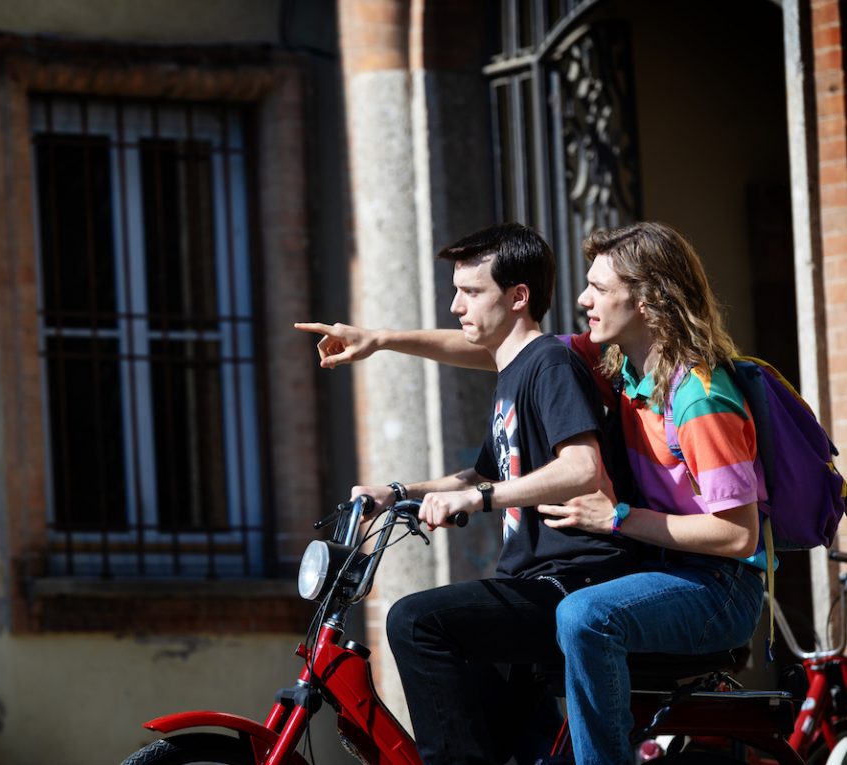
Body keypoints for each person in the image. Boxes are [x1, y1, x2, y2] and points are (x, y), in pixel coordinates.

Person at [297, 220, 767, 765]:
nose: (582, 298)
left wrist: (614, 516)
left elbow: (737, 534)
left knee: (552, 617)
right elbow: (495, 348)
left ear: (647, 299)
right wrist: (380, 343)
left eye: (599, 288)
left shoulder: (698, 396)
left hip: (713, 582)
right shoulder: (621, 372)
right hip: (657, 569)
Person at [314, 222, 638, 765]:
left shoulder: (549, 365)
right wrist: (398, 493)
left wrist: (483, 500)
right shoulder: (512, 374)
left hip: (572, 584)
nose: (455, 305)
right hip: (529, 581)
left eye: (470, 292)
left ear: (518, 297)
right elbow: (482, 477)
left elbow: (583, 468)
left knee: (416, 622)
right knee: (502, 734)